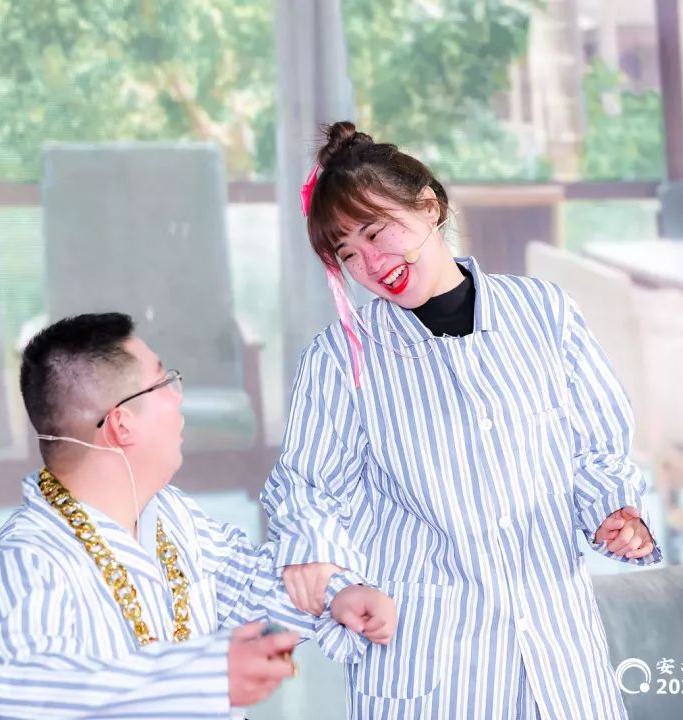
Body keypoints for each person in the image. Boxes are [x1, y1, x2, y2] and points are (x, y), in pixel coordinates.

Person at [261, 122, 662, 719]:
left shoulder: (542, 312)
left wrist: (613, 511)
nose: (370, 262)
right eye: (347, 254)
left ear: (430, 206)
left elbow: (593, 446)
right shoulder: (341, 357)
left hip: (558, 644)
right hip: (429, 658)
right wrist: (338, 582)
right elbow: (308, 491)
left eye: (377, 232)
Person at [0, 312, 397, 719]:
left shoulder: (170, 514)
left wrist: (338, 594)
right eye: (164, 381)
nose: (178, 395)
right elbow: (16, 691)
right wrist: (203, 677)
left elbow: (247, 584)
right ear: (121, 425)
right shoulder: (27, 558)